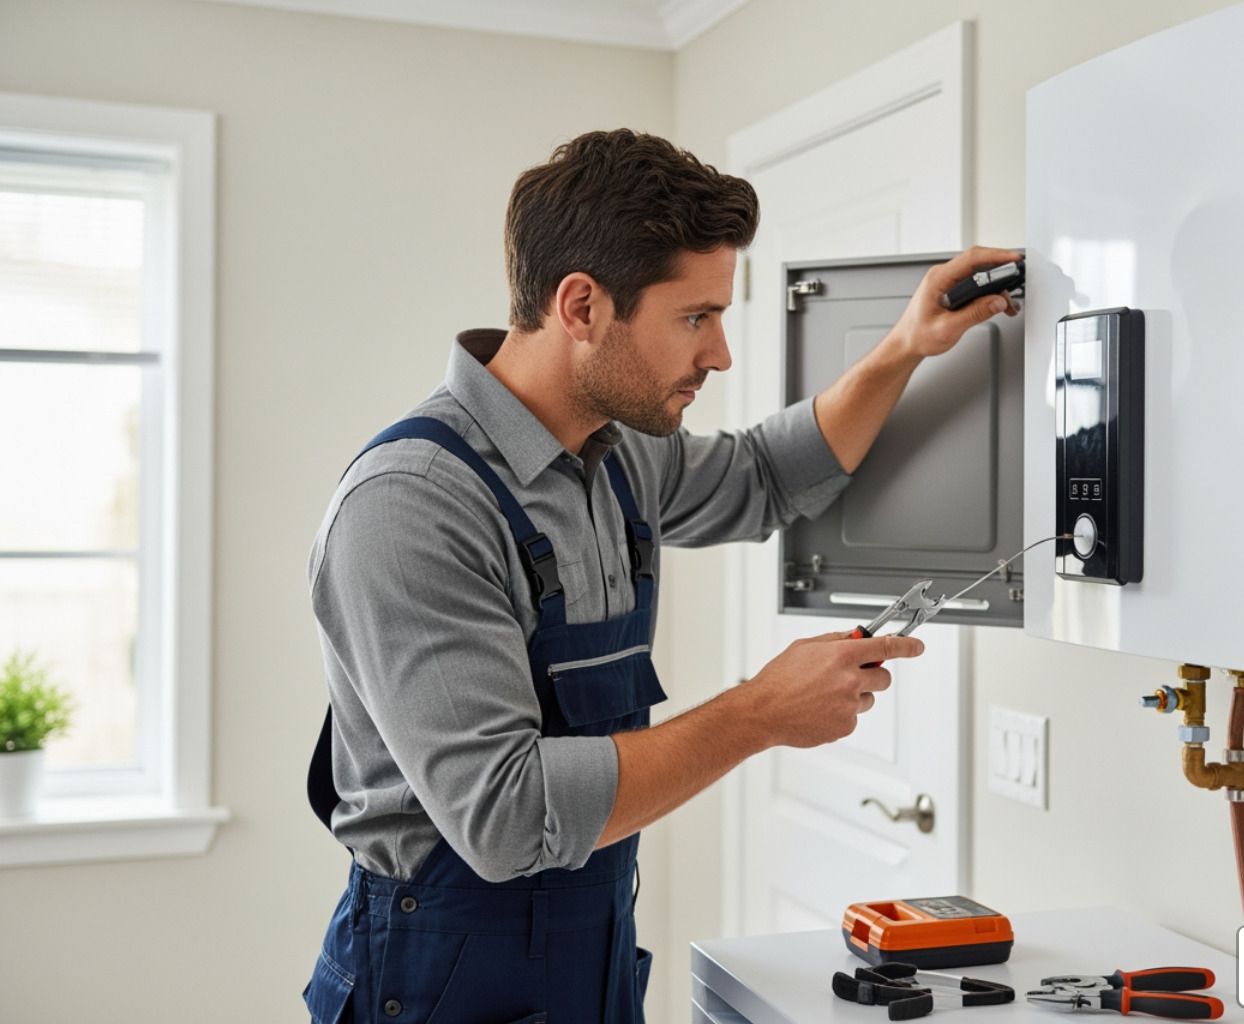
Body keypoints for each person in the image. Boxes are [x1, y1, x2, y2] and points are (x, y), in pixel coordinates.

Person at [301, 128, 1020, 1024]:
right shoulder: (412, 505)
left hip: (590, 952)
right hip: (437, 976)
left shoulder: (619, 456)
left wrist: (905, 346)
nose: (719, 354)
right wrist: (759, 714)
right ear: (582, 306)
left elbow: (766, 475)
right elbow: (508, 818)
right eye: (695, 318)